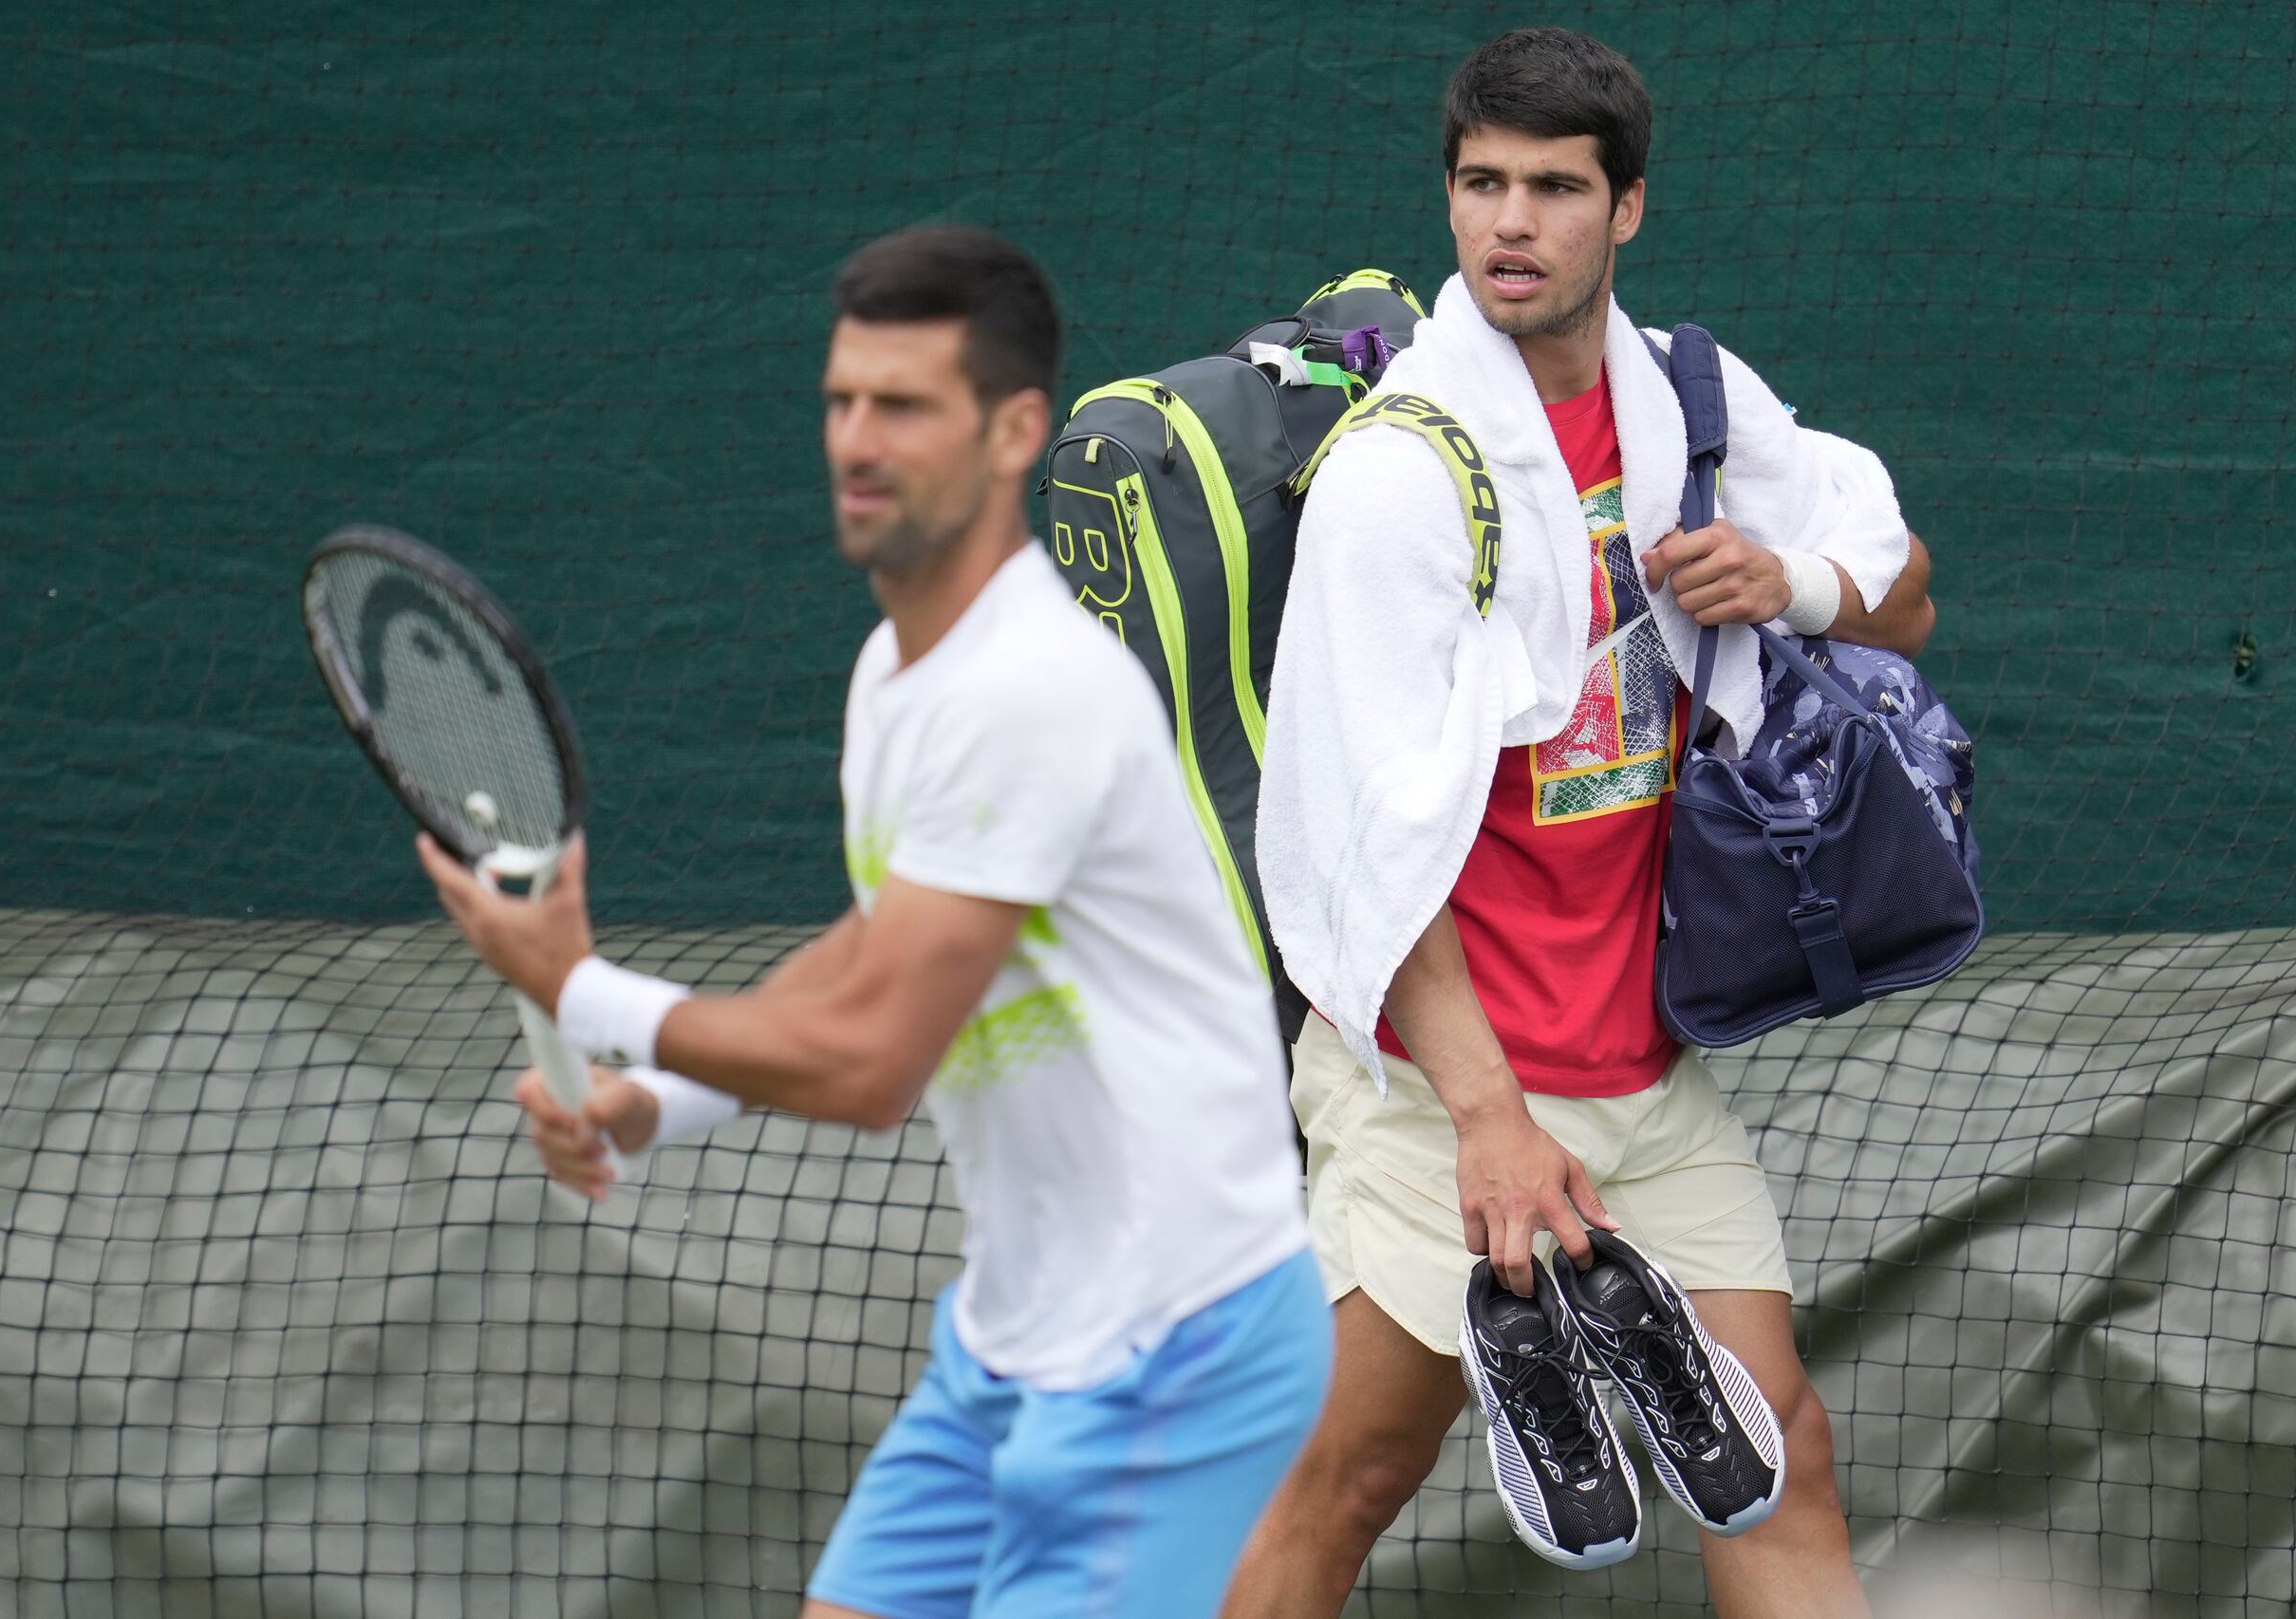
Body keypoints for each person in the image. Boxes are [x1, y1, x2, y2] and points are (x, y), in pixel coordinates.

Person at [418, 224, 1331, 1619]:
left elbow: (874, 1062)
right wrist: (658, 1093)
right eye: (843, 400)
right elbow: (871, 954)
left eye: (903, 406)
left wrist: (581, 985)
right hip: (1011, 1339)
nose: (857, 439)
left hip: (1175, 1351)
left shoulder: (1031, 695)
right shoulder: (893, 674)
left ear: (1015, 429)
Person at [1228, 28, 1936, 1618]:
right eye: (1482, 185)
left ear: (1626, 210)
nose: (1510, 225)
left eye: (1553, 188)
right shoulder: (1399, 475)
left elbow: (1904, 591)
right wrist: (1487, 1119)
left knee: (1778, 1453)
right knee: (1342, 1481)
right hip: (1445, 1090)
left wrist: (1789, 580)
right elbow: (1356, 834)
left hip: (1645, 1080)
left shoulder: (1691, 401)